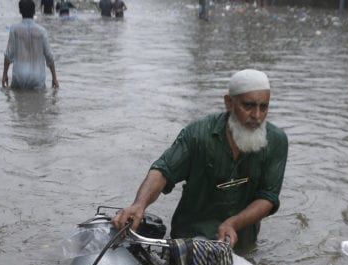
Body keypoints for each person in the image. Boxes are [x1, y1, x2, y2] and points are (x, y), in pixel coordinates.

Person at [112, 69, 287, 251]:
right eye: (248, 106)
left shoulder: (276, 141)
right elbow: (163, 171)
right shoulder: (199, 134)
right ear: (229, 102)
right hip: (189, 240)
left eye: (264, 107)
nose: (257, 116)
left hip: (240, 241)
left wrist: (233, 223)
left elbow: (268, 197)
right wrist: (139, 205)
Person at [2, 0, 59, 90]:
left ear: (20, 11)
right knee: (39, 103)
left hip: (19, 76)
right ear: (34, 12)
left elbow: (8, 54)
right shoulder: (41, 31)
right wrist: (54, 78)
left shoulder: (14, 29)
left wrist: (4, 74)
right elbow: (49, 56)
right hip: (37, 77)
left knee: (18, 103)